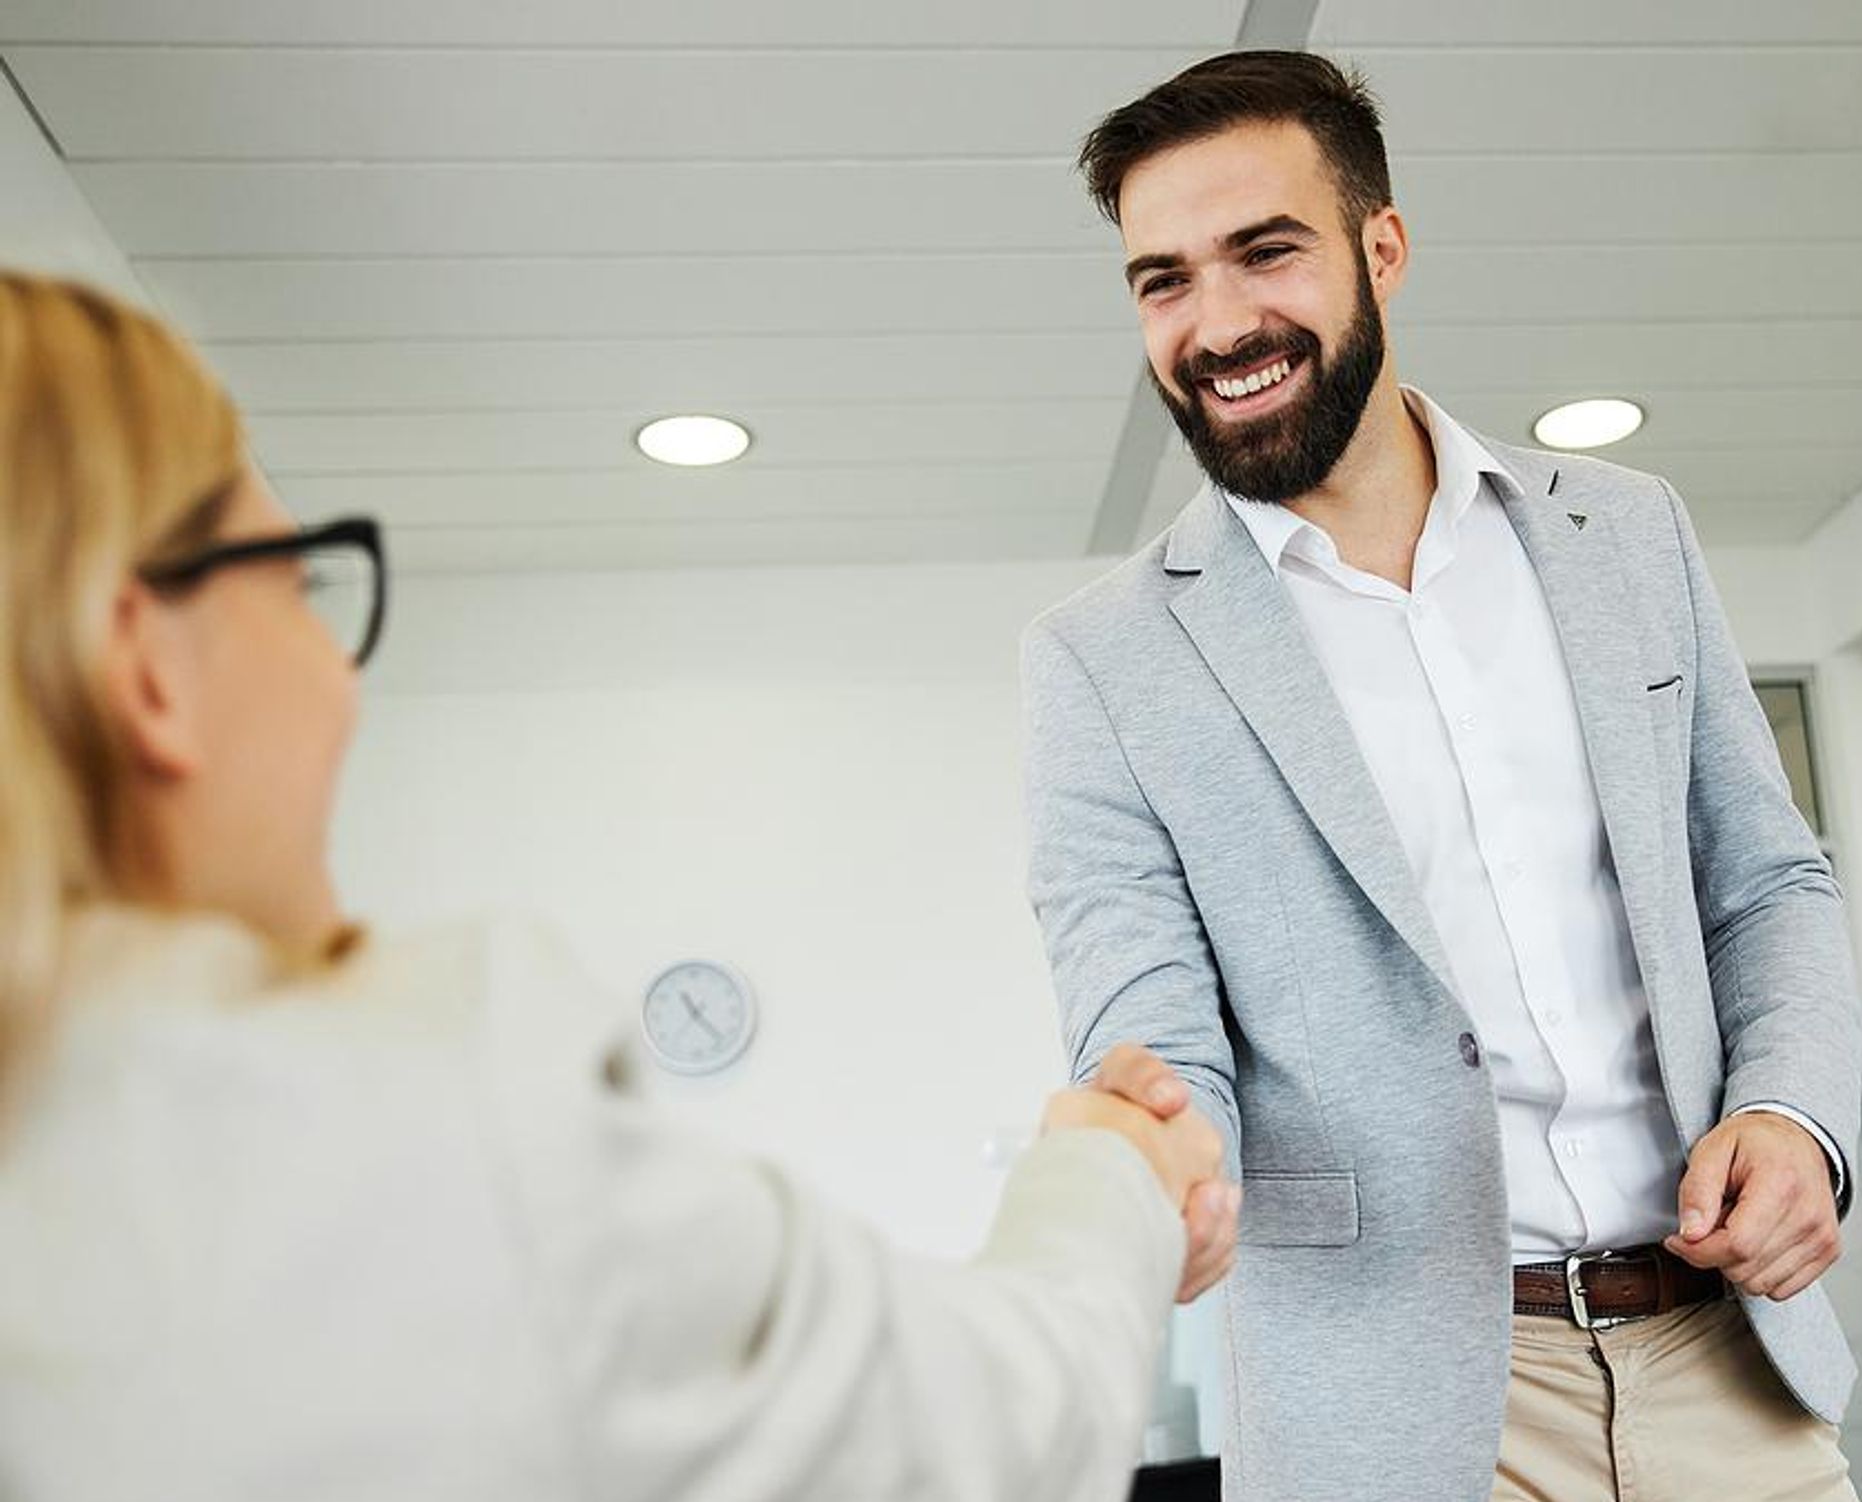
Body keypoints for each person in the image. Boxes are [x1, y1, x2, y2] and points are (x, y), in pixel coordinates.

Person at [0, 271, 1234, 1502]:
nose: (336, 667)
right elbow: (993, 1431)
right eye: (298, 580)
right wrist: (1107, 1165)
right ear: (146, 669)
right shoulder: (434, 1111)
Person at [1022, 51, 1862, 1501]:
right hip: (1397, 1418)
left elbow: (1766, 880)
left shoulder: (1628, 534)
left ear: (1383, 247)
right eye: (1161, 280)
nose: (1217, 322)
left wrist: (1795, 1114)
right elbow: (1149, 1027)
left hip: (1727, 1357)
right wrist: (1158, 1171)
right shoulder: (1104, 659)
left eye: (1264, 252)